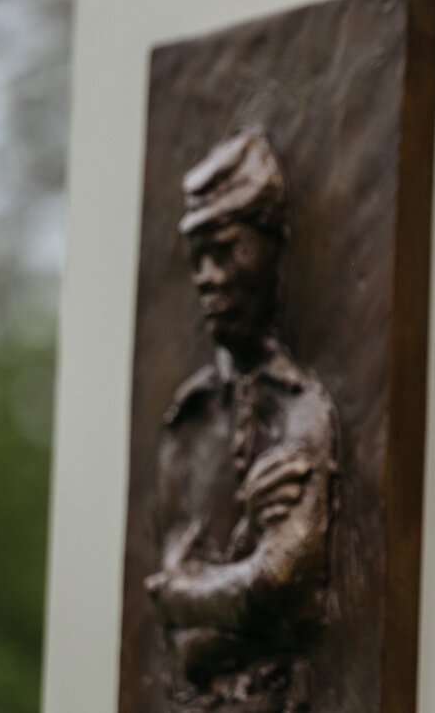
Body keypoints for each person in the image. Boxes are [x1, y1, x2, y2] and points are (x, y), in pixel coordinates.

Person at [145, 130, 337, 712]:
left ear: (271, 249)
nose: (206, 276)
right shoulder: (189, 420)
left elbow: (284, 586)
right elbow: (182, 640)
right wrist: (248, 550)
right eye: (197, 257)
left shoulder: (302, 407)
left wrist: (192, 594)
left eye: (225, 250)